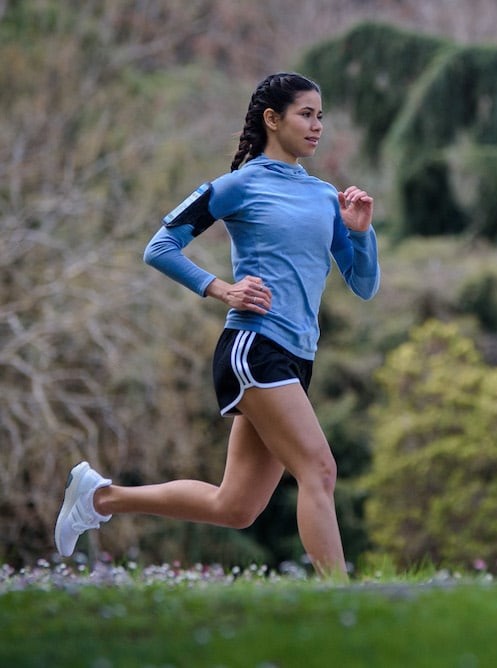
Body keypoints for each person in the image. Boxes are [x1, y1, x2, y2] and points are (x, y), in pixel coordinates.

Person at [54, 72, 380, 579]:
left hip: (297, 356)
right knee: (319, 469)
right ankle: (341, 601)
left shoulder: (324, 197)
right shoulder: (239, 186)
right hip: (254, 346)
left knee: (236, 506)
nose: (317, 126)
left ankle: (100, 498)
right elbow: (160, 247)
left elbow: (363, 284)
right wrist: (221, 288)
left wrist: (360, 233)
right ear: (273, 119)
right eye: (306, 114)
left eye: (320, 116)